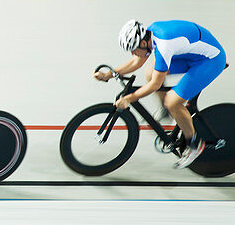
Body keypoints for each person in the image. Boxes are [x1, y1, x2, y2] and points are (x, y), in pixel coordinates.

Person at [96, 19, 226, 169]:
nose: (132, 53)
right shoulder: (149, 34)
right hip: (192, 55)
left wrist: (129, 98)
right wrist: (109, 75)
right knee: (150, 72)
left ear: (143, 43)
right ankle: (167, 112)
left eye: (133, 49)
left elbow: (155, 85)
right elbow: (136, 62)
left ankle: (194, 143)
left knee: (172, 102)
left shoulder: (164, 45)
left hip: (210, 61)